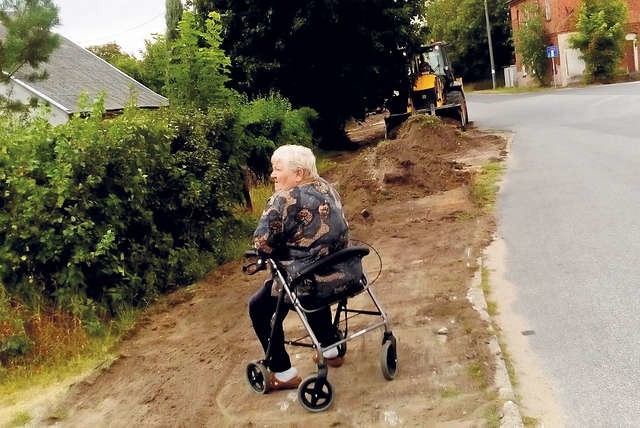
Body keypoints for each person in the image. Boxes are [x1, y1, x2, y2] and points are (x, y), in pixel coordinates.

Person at [248, 144, 350, 392]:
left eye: (277, 169)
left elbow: (262, 243)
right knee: (312, 288)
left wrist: (263, 252)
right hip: (342, 273)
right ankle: (331, 349)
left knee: (260, 306)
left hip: (306, 280)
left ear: (298, 174)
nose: (272, 175)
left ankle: (283, 373)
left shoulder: (283, 200)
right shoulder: (327, 188)